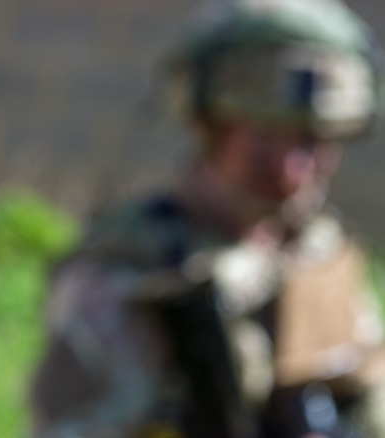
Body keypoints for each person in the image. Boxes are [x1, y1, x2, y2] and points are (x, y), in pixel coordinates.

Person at [29, 0, 385, 436]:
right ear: (208, 124)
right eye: (267, 136)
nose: (293, 170)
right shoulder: (127, 276)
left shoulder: (320, 251)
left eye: (313, 140)